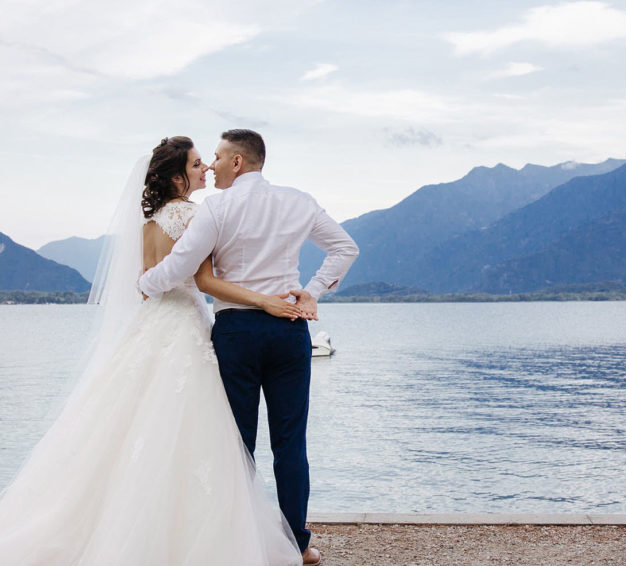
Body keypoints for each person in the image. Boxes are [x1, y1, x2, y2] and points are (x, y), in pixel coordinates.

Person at [0, 136, 306, 564]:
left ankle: (117, 520)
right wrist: (265, 299)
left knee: (130, 422)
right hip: (186, 323)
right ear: (179, 175)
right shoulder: (194, 215)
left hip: (154, 325)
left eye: (207, 161)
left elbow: (146, 285)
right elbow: (203, 280)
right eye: (198, 163)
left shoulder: (149, 223)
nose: (206, 169)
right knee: (195, 427)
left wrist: (156, 285)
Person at [138, 129, 359, 566]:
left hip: (236, 332)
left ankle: (239, 541)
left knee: (237, 443)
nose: (213, 165)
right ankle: (297, 545)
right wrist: (311, 291)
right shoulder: (299, 200)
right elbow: (345, 248)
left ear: (237, 162)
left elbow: (183, 265)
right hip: (290, 330)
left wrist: (145, 283)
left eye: (217, 157)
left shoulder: (218, 207)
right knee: (291, 444)